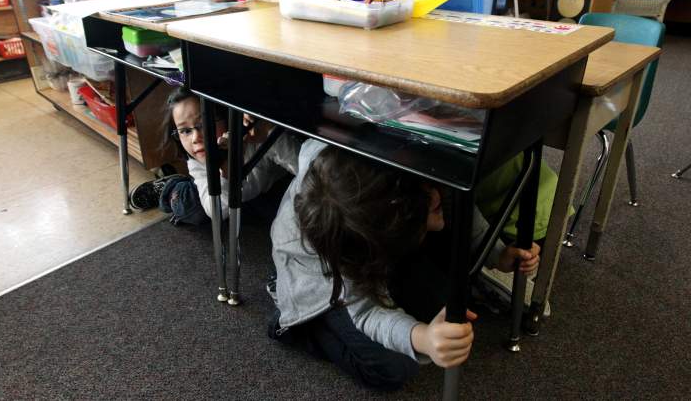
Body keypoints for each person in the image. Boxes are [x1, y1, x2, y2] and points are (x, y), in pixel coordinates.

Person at [267, 139, 540, 390]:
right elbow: (366, 312)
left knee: (446, 305)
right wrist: (423, 338)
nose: (436, 197)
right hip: (320, 288)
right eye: (427, 204)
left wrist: (498, 254)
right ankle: (303, 328)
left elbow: (457, 203)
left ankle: (403, 283)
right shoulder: (345, 249)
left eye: (429, 188)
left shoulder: (390, 171)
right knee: (395, 368)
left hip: (378, 247)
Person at [129, 87, 300, 225]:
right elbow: (217, 212)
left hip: (264, 190)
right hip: (223, 193)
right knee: (192, 207)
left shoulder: (255, 135)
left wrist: (269, 133)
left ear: (226, 117)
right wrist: (225, 170)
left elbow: (306, 169)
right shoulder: (198, 161)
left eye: (204, 124)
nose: (195, 138)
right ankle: (172, 187)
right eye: (185, 131)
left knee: (292, 212)